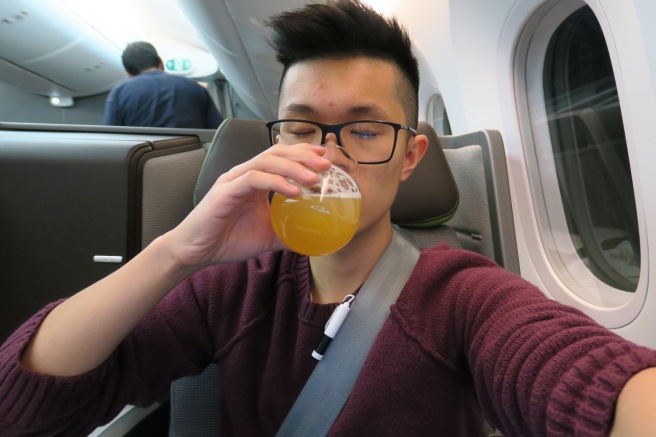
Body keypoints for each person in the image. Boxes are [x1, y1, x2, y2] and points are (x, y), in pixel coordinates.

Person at [1, 1, 655, 435]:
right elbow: (22, 403)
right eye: (305, 128)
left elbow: (587, 374)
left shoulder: (461, 293)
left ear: (409, 154)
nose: (329, 155)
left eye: (364, 130)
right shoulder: (229, 287)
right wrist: (177, 251)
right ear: (276, 140)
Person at [103, 41, 223, 129]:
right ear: (161, 63)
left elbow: (112, 136)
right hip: (193, 157)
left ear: (128, 73)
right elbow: (217, 130)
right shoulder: (195, 87)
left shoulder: (119, 93)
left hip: (144, 160)